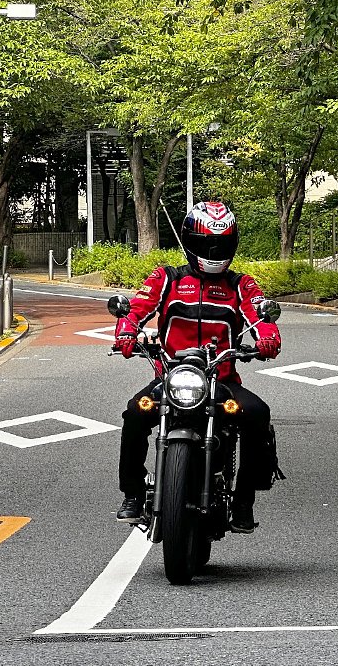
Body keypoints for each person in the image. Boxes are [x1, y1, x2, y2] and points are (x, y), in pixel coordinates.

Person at [112, 201, 281, 533]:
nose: (214, 250)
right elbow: (135, 308)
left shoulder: (241, 284)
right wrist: (126, 335)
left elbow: (260, 314)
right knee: (135, 412)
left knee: (257, 414)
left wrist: (267, 339)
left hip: (222, 381)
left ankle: (244, 498)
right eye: (207, 243)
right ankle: (132, 493)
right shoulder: (167, 278)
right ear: (191, 241)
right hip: (172, 378)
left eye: (222, 243)